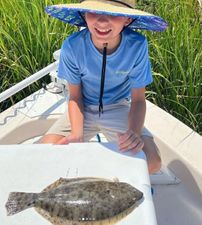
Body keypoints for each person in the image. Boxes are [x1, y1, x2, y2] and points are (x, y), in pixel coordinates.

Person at [41, 0, 168, 174]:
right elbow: (75, 97)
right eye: (93, 12)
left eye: (114, 13)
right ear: (84, 15)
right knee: (44, 154)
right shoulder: (72, 46)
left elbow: (138, 99)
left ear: (128, 20)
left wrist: (134, 132)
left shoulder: (137, 45)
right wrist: (77, 135)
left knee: (152, 162)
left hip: (118, 106)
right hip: (82, 107)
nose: (102, 21)